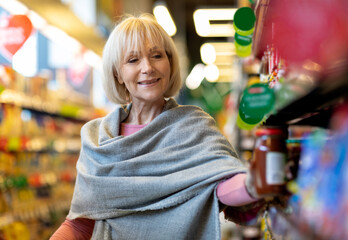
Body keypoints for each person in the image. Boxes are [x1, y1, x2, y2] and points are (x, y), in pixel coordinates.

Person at [51, 13, 263, 240]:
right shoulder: (97, 139)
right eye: (133, 60)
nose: (148, 67)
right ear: (118, 74)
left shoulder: (194, 126)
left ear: (170, 63)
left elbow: (221, 186)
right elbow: (82, 223)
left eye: (156, 55)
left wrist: (257, 182)